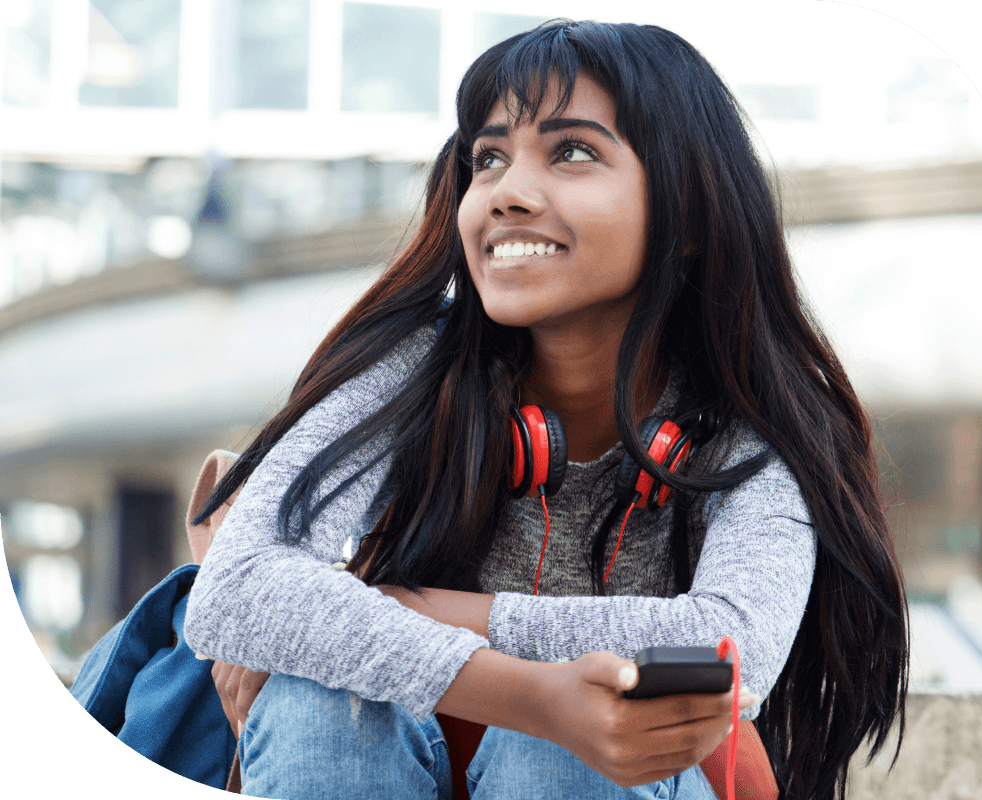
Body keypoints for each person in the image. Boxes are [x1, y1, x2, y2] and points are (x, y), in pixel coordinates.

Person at [184, 20, 909, 800]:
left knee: (573, 740)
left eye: (572, 152)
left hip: (641, 776)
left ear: (689, 213)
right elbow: (237, 588)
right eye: (488, 158)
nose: (507, 193)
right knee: (325, 702)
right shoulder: (414, 370)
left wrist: (410, 609)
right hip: (408, 762)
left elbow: (729, 647)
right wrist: (537, 698)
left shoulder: (755, 424)